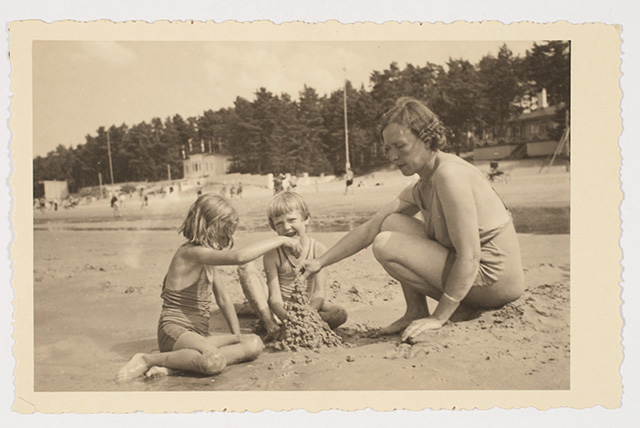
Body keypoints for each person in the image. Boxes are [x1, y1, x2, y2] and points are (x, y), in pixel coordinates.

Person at [300, 97, 524, 344]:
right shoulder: (422, 184)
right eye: (388, 148)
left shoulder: (450, 175)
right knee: (390, 223)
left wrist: (439, 318)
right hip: (477, 275)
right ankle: (415, 311)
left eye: (400, 146)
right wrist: (320, 262)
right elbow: (372, 226)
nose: (392, 156)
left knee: (386, 243)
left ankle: (447, 310)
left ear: (427, 139)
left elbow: (470, 256)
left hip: (496, 281)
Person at [116, 194, 302, 383]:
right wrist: (281, 240)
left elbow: (223, 300)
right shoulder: (189, 253)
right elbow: (239, 257)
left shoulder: (207, 260)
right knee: (214, 362)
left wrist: (236, 335)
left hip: (199, 336)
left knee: (254, 343)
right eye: (225, 232)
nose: (227, 238)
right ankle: (148, 359)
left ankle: (173, 366)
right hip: (174, 332)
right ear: (210, 226)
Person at [263, 191, 348, 330]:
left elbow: (319, 292)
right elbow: (274, 298)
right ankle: (304, 325)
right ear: (273, 227)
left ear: (306, 218)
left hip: (311, 305)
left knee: (339, 314)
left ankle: (310, 323)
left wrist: (308, 314)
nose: (286, 227)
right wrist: (287, 316)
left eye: (292, 220)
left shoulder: (318, 249)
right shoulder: (272, 255)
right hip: (283, 308)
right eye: (279, 223)